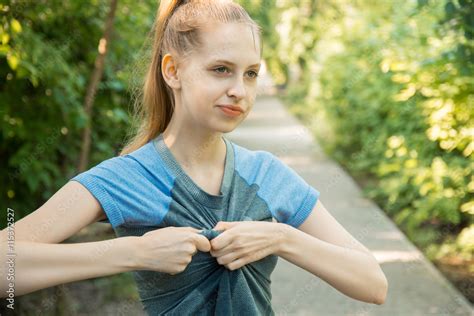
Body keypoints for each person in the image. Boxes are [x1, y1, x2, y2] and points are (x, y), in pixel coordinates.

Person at [0, 0, 388, 314]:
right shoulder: (124, 179)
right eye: (221, 69)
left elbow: (373, 284)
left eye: (251, 73)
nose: (240, 90)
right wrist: (133, 252)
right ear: (173, 71)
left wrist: (282, 238)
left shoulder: (267, 175)